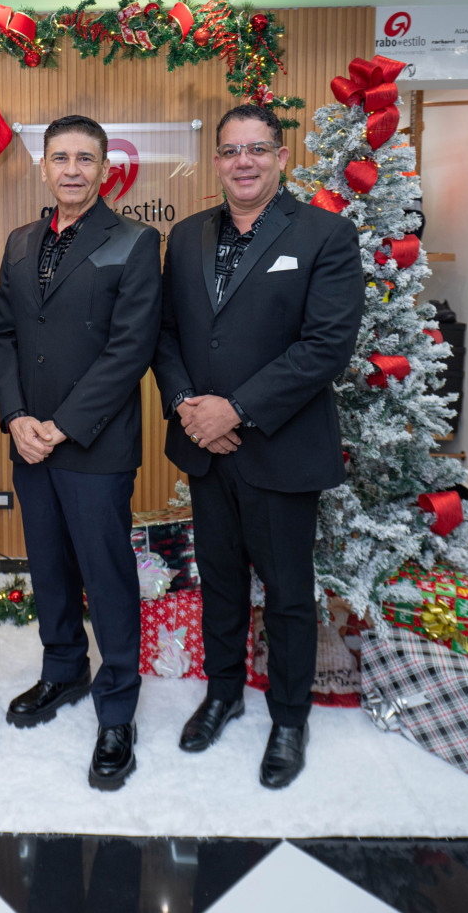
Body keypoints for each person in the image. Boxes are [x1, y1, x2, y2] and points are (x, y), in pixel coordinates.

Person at [152, 104, 364, 789]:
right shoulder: (185, 237)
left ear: (279, 156)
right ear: (215, 160)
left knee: (288, 593)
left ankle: (290, 717)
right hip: (205, 447)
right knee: (218, 581)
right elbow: (167, 335)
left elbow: (326, 345)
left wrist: (236, 408)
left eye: (257, 149)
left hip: (279, 447)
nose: (244, 161)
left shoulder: (325, 233)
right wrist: (188, 405)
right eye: (231, 150)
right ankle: (221, 694)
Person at [0, 115, 161, 790]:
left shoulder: (135, 241)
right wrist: (14, 417)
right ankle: (63, 670)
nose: (71, 169)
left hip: (94, 444)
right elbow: (1, 336)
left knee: (106, 574)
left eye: (84, 158)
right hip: (28, 440)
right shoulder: (20, 240)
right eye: (59, 157)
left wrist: (59, 424)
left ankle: (117, 707)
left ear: (105, 167)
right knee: (49, 566)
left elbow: (130, 350)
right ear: (43, 165)